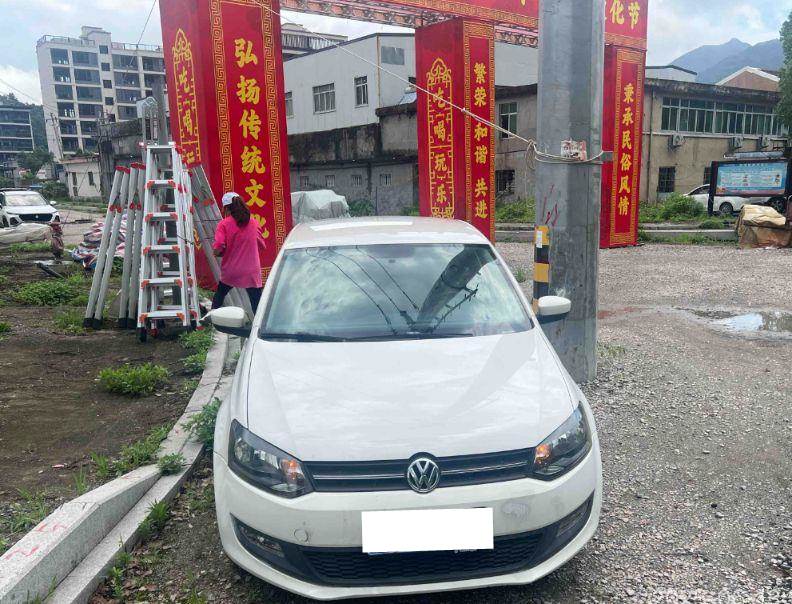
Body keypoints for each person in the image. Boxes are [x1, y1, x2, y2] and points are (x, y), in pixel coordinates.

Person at [211, 192, 267, 312]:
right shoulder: (253, 222)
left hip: (232, 271)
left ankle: (211, 318)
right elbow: (262, 245)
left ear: (226, 208)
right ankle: (259, 322)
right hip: (251, 272)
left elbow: (219, 245)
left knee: (219, 295)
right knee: (257, 304)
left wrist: (217, 252)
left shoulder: (223, 224)